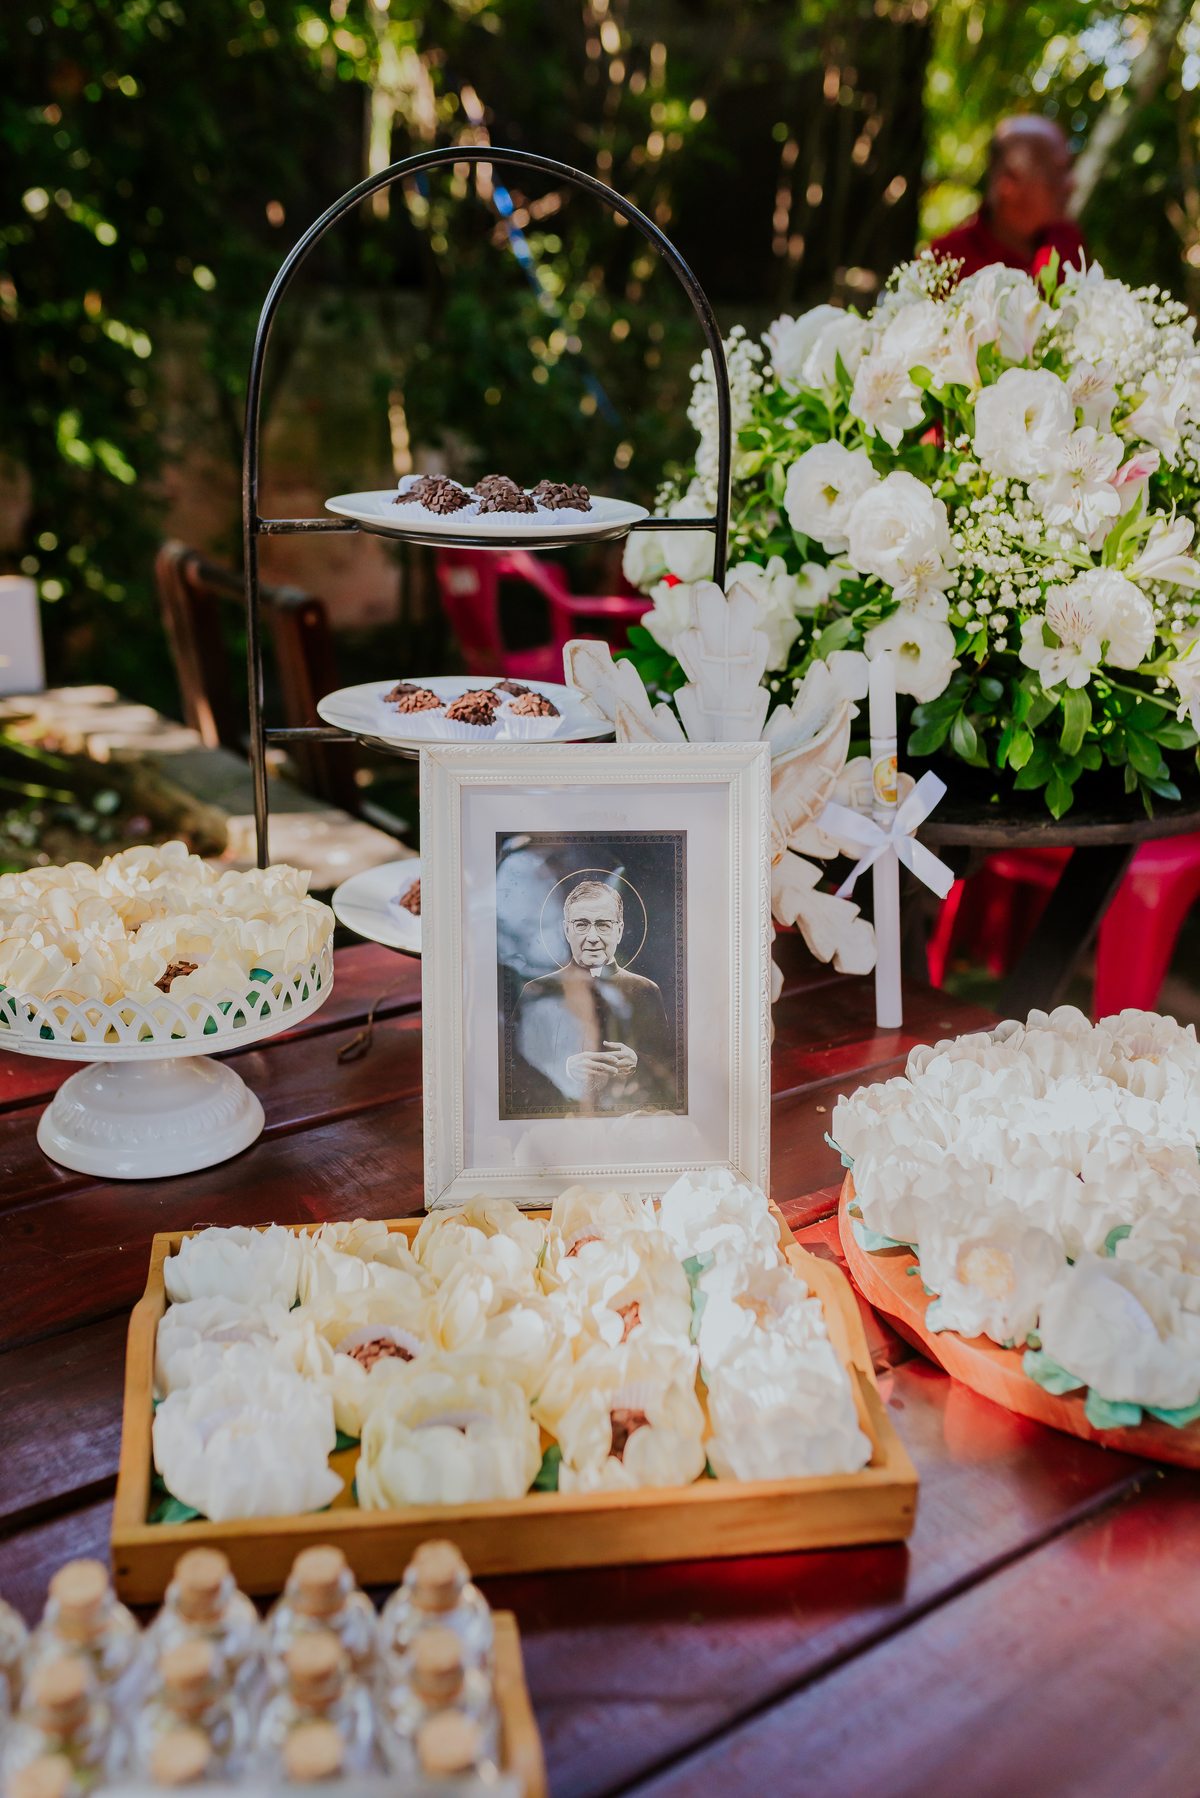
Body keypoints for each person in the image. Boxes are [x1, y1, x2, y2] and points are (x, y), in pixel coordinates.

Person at [505, 879, 680, 1117]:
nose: (593, 937)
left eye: (603, 925)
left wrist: (637, 1061)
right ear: (567, 930)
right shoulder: (537, 991)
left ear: (619, 930)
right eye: (581, 925)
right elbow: (517, 1069)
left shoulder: (645, 990)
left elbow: (671, 1068)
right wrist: (564, 1069)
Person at [931, 115, 1086, 281]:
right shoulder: (946, 260)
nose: (1071, 184)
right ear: (1008, 183)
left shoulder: (1067, 241)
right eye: (1056, 173)